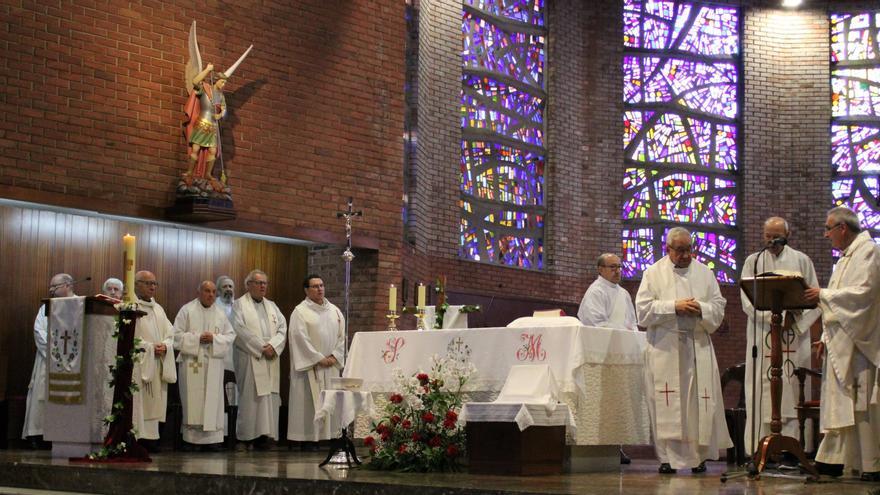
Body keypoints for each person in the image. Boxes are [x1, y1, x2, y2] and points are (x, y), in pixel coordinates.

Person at [636, 227, 731, 474]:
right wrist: (674, 307)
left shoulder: (705, 273)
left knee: (697, 404)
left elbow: (719, 306)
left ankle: (698, 458)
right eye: (680, 250)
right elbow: (643, 312)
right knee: (665, 402)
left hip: (697, 345)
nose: (686, 255)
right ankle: (667, 459)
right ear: (667, 249)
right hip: (665, 347)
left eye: (689, 249)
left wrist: (701, 308)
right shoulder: (652, 273)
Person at [804, 206, 880, 481]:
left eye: (828, 229)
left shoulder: (868, 251)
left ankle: (870, 463)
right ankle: (834, 459)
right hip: (841, 340)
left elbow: (864, 294)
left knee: (860, 404)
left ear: (842, 228)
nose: (826, 235)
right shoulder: (846, 258)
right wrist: (825, 337)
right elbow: (835, 302)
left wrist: (822, 294)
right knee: (842, 403)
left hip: (860, 343)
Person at [740, 217, 820, 454]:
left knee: (793, 386)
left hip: (794, 335)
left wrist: (793, 324)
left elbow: (814, 300)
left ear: (788, 235)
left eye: (777, 235)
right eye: (768, 235)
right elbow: (746, 298)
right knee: (761, 388)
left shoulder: (802, 260)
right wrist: (771, 319)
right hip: (763, 332)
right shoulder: (753, 262)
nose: (772, 240)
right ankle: (761, 447)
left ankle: (794, 449)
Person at [173, 281, 235, 451]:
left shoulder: (220, 313)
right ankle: (191, 440)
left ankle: (212, 440)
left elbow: (230, 336)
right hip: (192, 362)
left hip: (214, 363)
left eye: (214, 292)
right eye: (207, 291)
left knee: (213, 402)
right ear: (199, 291)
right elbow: (175, 336)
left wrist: (214, 339)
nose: (211, 295)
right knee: (193, 400)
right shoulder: (187, 310)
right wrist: (198, 338)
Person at [287, 274, 345, 450]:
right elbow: (299, 338)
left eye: (321, 285)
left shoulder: (335, 310)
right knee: (308, 403)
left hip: (331, 366)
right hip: (311, 367)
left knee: (331, 400)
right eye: (314, 286)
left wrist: (334, 356)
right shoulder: (300, 311)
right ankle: (308, 438)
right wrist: (319, 358)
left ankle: (331, 437)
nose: (320, 289)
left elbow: (343, 336)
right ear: (306, 290)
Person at [232, 270, 287, 450]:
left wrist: (273, 346)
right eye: (258, 282)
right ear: (248, 285)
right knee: (251, 397)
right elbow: (238, 329)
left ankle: (266, 437)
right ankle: (246, 437)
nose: (263, 286)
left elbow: (282, 328)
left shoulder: (272, 306)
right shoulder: (239, 305)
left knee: (269, 398)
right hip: (250, 356)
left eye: (264, 283)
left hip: (270, 356)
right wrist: (260, 347)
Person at [22, 273, 75, 448]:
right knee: (41, 398)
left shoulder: (81, 305)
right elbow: (39, 332)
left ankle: (62, 436)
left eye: (55, 287)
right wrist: (56, 353)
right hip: (48, 360)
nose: (51, 290)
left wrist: (68, 356)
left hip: (72, 363)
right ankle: (37, 435)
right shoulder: (46, 306)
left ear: (68, 285)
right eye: (50, 287)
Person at [132, 270, 177, 451]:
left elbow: (171, 333)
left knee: (157, 403)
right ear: (136, 284)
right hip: (141, 363)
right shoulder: (131, 307)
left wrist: (165, 346)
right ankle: (139, 439)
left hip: (158, 362)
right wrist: (149, 348)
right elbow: (130, 336)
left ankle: (153, 440)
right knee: (142, 402)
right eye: (147, 283)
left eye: (154, 283)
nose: (152, 287)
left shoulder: (158, 309)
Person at [183, 62, 227, 190]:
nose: (224, 85)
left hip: (213, 125)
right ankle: (190, 171)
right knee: (195, 148)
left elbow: (224, 109)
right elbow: (195, 81)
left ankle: (208, 173)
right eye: (222, 82)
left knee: (213, 151)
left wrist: (221, 115)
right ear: (216, 81)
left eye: (225, 83)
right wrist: (207, 70)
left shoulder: (220, 96)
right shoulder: (205, 88)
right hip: (202, 122)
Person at [577, 253, 638, 330]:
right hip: (601, 340)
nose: (617, 271)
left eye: (619, 267)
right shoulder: (596, 292)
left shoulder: (624, 293)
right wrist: (624, 330)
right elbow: (596, 324)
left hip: (625, 340)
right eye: (613, 267)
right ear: (600, 269)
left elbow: (632, 323)